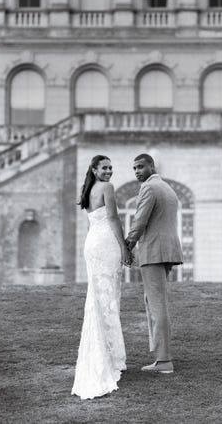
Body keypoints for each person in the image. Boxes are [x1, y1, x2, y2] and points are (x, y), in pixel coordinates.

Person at [71, 155, 131, 400]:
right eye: (104, 168)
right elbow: (114, 218)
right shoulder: (106, 188)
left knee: (99, 299)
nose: (109, 171)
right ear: (94, 169)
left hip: (92, 244)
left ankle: (111, 354)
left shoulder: (87, 189)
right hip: (105, 243)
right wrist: (125, 247)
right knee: (108, 300)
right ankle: (110, 357)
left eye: (111, 168)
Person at [125, 153, 183, 374]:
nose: (137, 171)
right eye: (134, 168)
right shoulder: (167, 188)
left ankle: (164, 360)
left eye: (140, 166)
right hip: (167, 250)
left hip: (154, 251)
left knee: (156, 305)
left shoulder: (149, 188)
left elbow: (140, 221)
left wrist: (127, 245)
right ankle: (162, 356)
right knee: (155, 302)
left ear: (151, 166)